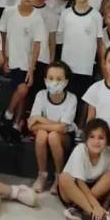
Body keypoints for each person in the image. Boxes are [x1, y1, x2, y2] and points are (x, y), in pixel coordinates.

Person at [0, 0, 47, 141]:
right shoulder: (9, 12)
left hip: (27, 62)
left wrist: (32, 69)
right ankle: (8, 115)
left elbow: (37, 44)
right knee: (22, 90)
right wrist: (4, 57)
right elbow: (2, 33)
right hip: (12, 59)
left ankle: (14, 122)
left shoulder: (37, 17)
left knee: (23, 92)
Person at [58, 118, 110, 220]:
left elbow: (109, 184)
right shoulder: (80, 150)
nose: (96, 141)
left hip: (93, 189)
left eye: (101, 138)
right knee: (64, 178)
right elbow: (80, 183)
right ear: (86, 139)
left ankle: (77, 209)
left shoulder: (108, 153)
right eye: (92, 137)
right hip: (74, 189)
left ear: (107, 141)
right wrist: (96, 206)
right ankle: (92, 214)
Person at [29, 61, 78, 193]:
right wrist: (55, 125)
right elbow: (31, 125)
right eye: (50, 78)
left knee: (53, 136)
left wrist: (40, 119)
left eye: (59, 79)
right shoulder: (41, 95)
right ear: (45, 80)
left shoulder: (71, 98)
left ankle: (58, 176)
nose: (54, 82)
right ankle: (42, 175)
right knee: (42, 134)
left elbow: (62, 128)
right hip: (46, 133)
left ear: (66, 82)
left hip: (65, 137)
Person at [58, 0, 105, 101]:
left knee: (82, 99)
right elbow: (59, 40)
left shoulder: (96, 16)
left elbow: (99, 42)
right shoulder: (65, 13)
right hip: (66, 66)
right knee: (66, 98)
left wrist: (102, 65)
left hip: (85, 67)